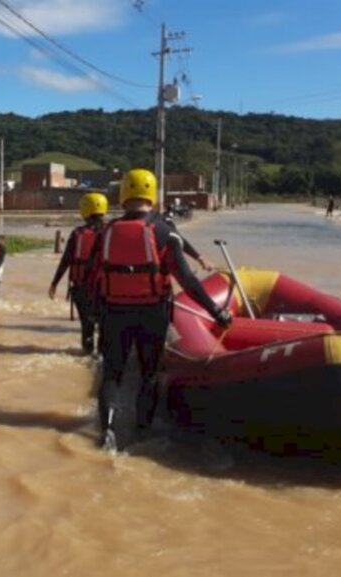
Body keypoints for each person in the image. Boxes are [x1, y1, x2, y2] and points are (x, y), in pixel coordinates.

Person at [91, 168, 232, 452]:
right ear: (152, 196)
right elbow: (188, 280)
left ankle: (107, 431)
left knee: (112, 373)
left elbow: (93, 277)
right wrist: (217, 313)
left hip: (113, 313)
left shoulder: (106, 232)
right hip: (151, 314)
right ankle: (142, 431)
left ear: (123, 195)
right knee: (149, 374)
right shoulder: (163, 232)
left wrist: (96, 315)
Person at [48, 192, 108, 355]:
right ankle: (102, 358)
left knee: (87, 325)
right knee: (104, 325)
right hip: (106, 287)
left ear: (84, 210)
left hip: (81, 286)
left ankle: (87, 353)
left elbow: (66, 260)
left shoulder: (77, 234)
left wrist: (54, 283)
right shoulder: (111, 232)